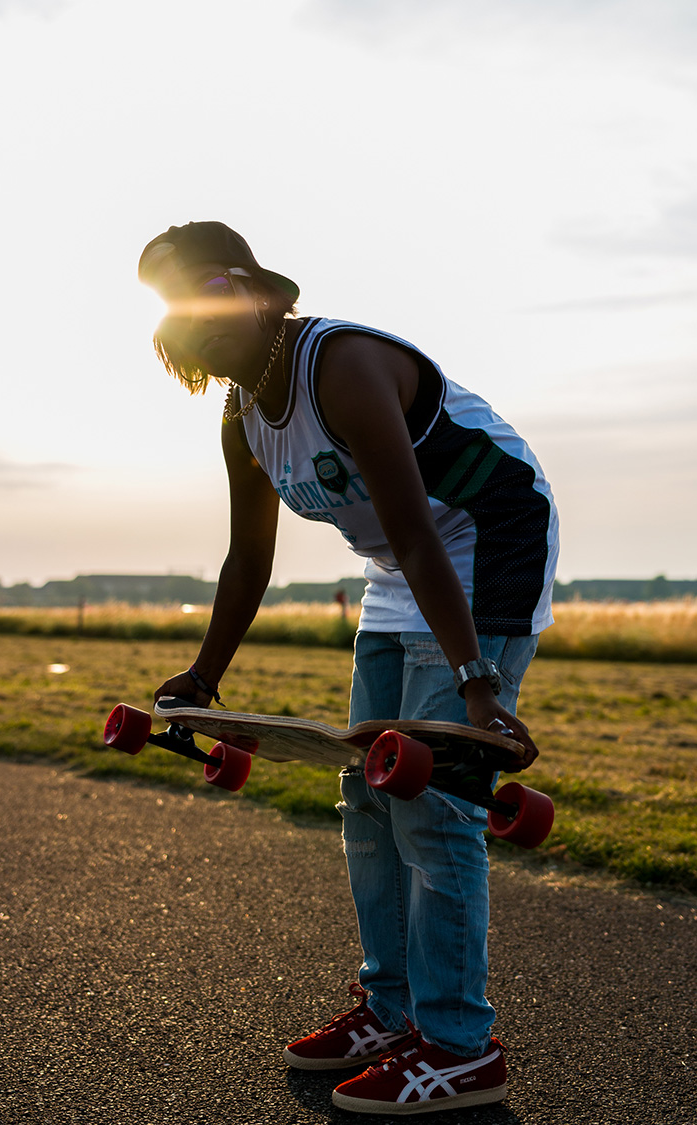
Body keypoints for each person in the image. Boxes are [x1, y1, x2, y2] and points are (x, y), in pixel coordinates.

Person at [138, 221, 559, 1115]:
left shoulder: (342, 365)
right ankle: (391, 1007)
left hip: (488, 538)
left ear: (257, 289)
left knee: (437, 804)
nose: (198, 318)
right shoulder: (242, 417)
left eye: (213, 289)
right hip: (403, 568)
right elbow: (248, 558)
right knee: (367, 790)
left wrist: (479, 687)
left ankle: (459, 1045)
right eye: (175, 306)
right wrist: (203, 678)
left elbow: (415, 524)